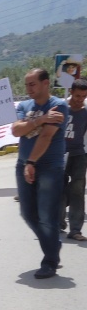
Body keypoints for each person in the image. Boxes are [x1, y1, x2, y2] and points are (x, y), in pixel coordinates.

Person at [11, 69, 68, 278]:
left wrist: (32, 162)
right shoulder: (25, 106)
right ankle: (53, 244)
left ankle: (50, 261)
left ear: (45, 83)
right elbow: (16, 130)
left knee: (47, 216)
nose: (28, 89)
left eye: (32, 84)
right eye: (26, 85)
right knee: (27, 213)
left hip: (49, 167)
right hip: (24, 164)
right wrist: (40, 119)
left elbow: (45, 137)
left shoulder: (59, 105)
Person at [61, 79, 87, 241]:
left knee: (78, 190)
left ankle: (75, 229)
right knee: (59, 189)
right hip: (59, 155)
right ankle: (58, 221)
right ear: (70, 92)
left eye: (83, 96)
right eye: (77, 95)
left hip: (79, 154)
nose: (80, 99)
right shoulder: (60, 108)